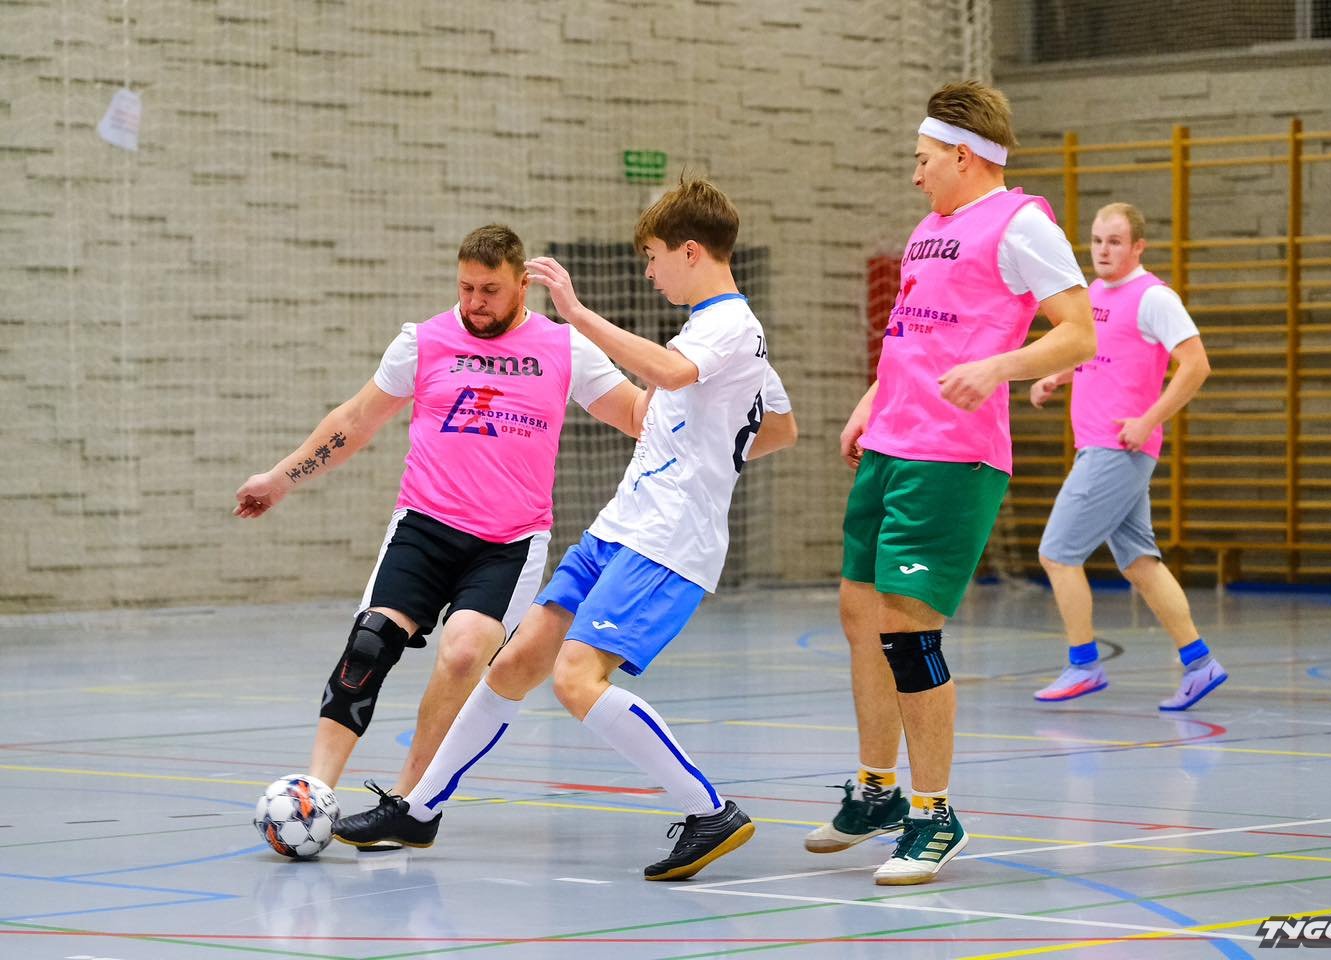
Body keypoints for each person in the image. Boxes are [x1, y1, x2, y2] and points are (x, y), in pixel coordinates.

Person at [331, 177, 799, 882]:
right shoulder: (719, 332)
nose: (649, 273)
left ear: (690, 252)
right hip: (620, 524)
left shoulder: (730, 326)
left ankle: (710, 811)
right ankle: (418, 810)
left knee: (576, 678)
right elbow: (781, 428)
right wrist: (712, 451)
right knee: (514, 664)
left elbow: (672, 375)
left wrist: (576, 315)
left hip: (667, 538)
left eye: (653, 258)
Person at [234, 225, 646, 806]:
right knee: (369, 644)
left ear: (522, 285)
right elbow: (355, 420)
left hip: (507, 544)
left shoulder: (564, 348)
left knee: (463, 652)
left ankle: (405, 803)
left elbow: (636, 415)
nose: (475, 303)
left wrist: (687, 378)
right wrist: (281, 477)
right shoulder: (423, 342)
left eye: (490, 290)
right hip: (424, 526)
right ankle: (316, 788)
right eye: (466, 288)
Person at [810, 80, 1095, 886]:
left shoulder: (1022, 224)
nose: (915, 174)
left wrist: (998, 367)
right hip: (892, 445)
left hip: (952, 456)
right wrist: (870, 402)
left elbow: (1078, 334)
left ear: (964, 156)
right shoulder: (929, 229)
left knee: (908, 630)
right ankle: (877, 791)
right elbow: (910, 334)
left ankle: (935, 814)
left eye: (923, 159)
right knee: (859, 613)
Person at [1030, 202, 1221, 710]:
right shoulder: (1093, 295)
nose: (1103, 250)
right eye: (1097, 240)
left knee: (1057, 554)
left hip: (1116, 449)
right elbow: (1098, 353)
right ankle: (1200, 663)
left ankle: (1083, 665)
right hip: (1100, 447)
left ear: (1137, 247)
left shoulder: (1154, 297)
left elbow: (1196, 365)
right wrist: (1057, 376)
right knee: (1139, 563)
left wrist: (1149, 419)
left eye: (1114, 241)